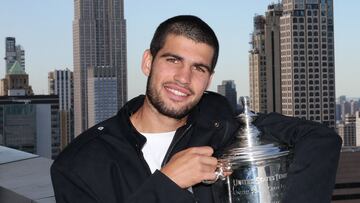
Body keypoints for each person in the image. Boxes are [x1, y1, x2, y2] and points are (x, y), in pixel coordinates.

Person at [51, 15, 342, 203]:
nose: (184, 78)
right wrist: (168, 183)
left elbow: (320, 139)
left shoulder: (222, 125)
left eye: (199, 68)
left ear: (209, 79)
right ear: (148, 62)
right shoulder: (80, 164)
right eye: (173, 60)